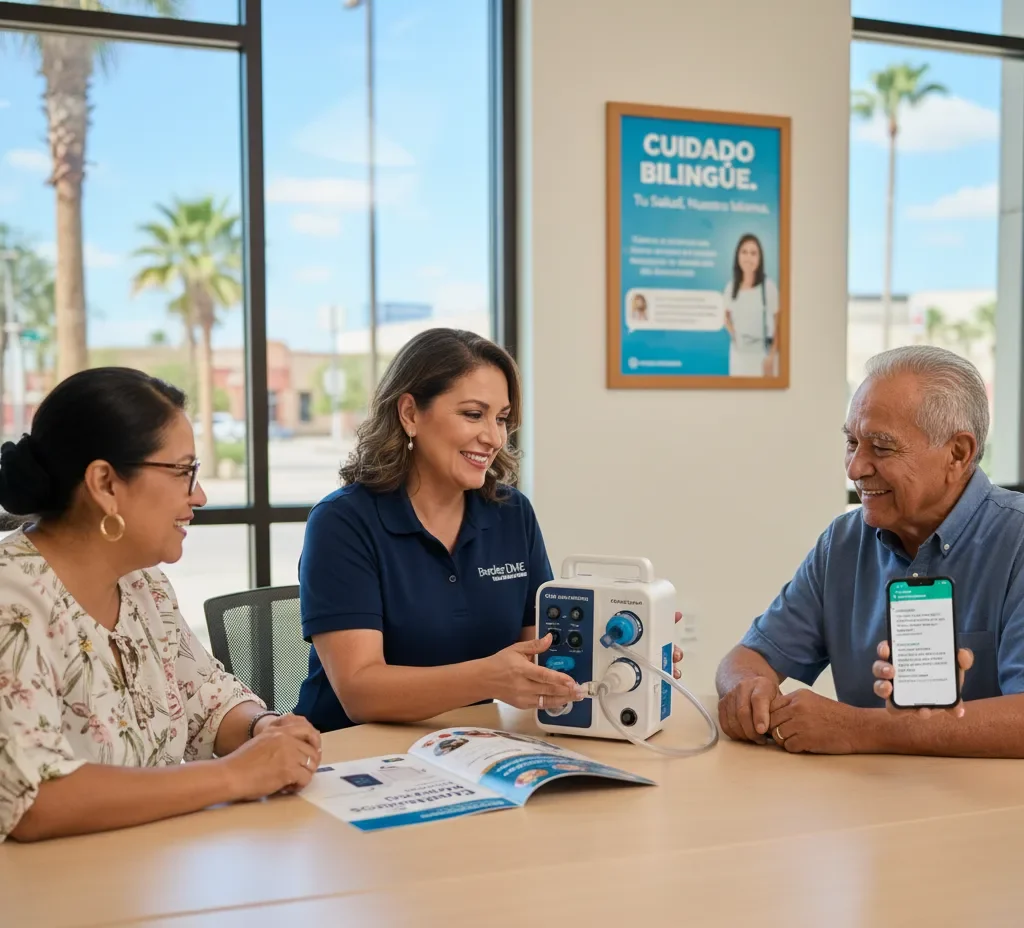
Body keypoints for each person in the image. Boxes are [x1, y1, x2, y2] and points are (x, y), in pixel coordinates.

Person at [294, 328, 684, 732]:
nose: (495, 437)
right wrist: (487, 678)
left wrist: (625, 658)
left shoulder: (511, 513)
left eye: (501, 419)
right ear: (410, 413)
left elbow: (544, 654)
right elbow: (360, 691)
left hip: (465, 746)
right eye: (473, 414)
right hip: (348, 757)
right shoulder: (342, 523)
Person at [0, 368, 322, 843]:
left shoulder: (143, 585)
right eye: (183, 472)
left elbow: (209, 700)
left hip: (152, 873)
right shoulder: (13, 601)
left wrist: (265, 730)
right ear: (106, 483)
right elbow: (33, 799)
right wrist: (236, 776)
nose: (199, 496)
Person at [716, 345, 1024, 757]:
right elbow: (748, 657)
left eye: (881, 447)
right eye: (851, 442)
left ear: (958, 453)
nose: (854, 468)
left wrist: (859, 729)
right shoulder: (844, 541)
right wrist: (746, 690)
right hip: (867, 807)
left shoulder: (1016, 541)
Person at [723, 233, 779, 377]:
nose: (748, 258)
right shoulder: (731, 287)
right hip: (738, 357)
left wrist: (772, 356)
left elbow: (780, 324)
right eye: (744, 252)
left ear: (759, 259)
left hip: (761, 357)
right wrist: (734, 334)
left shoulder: (768, 287)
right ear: (738, 256)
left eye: (753, 253)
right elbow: (725, 316)